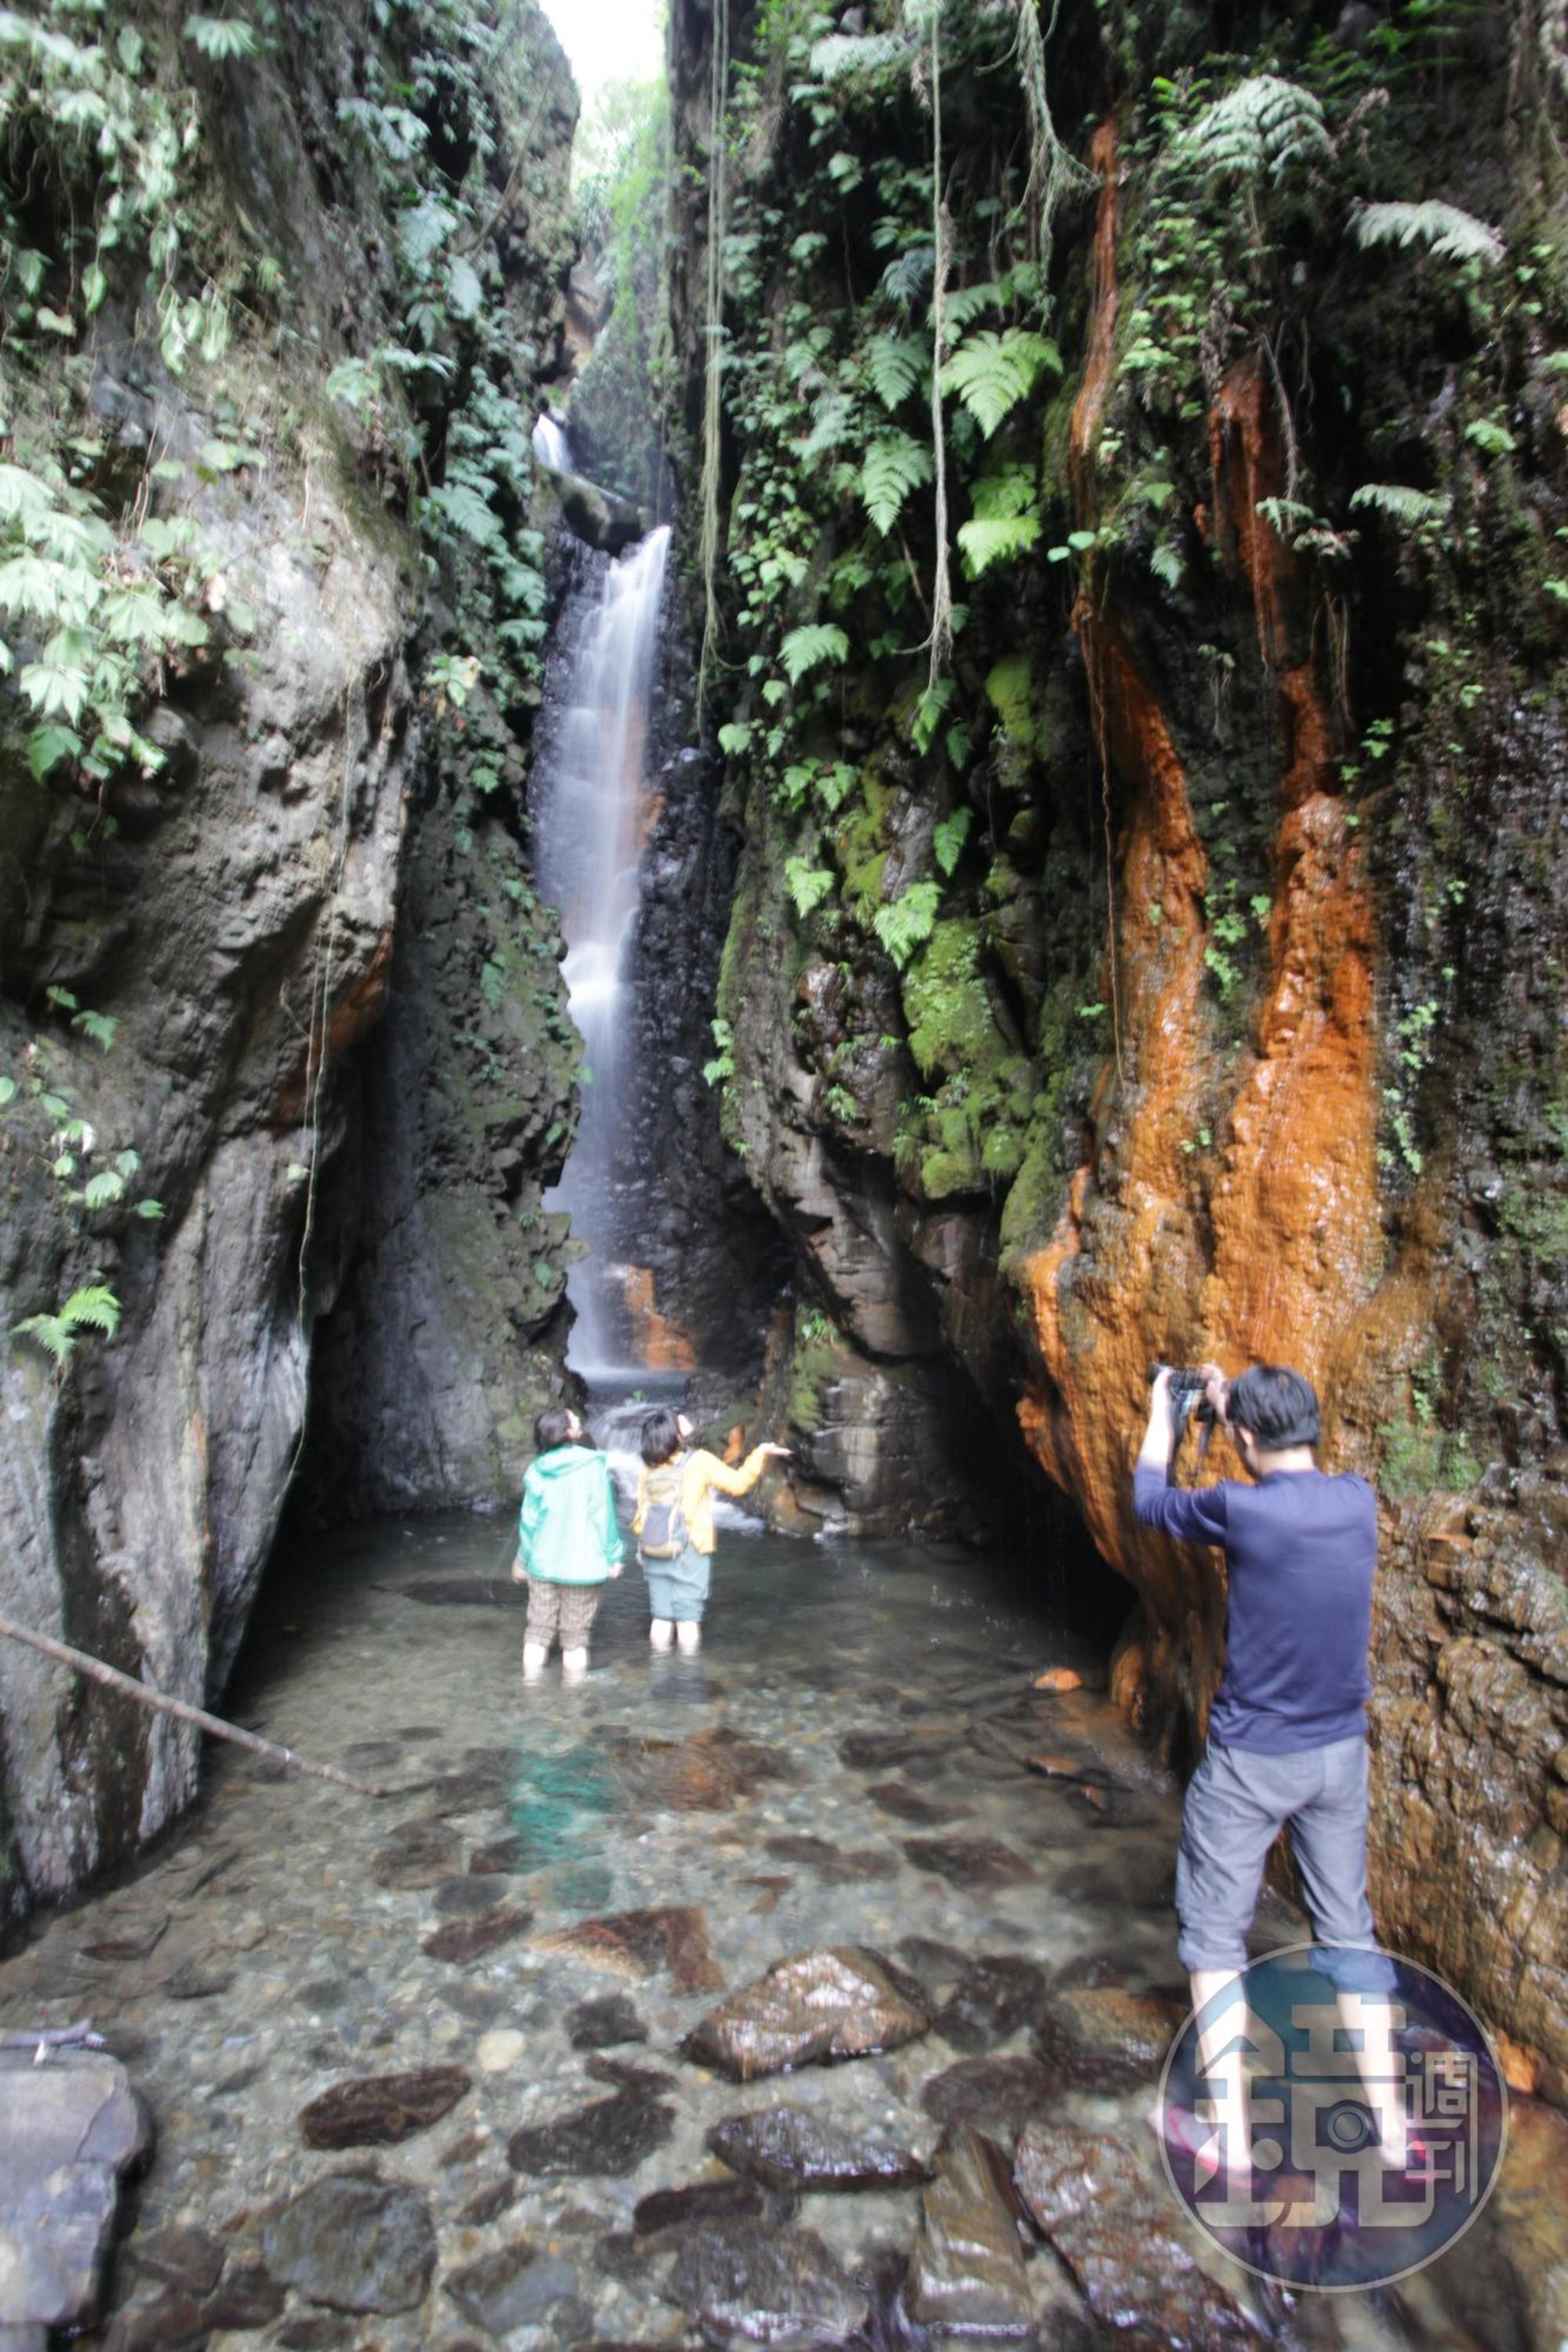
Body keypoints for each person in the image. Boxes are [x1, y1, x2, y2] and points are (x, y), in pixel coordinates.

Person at [1133, 1361, 1404, 2186]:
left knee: (1214, 1939)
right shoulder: (1357, 1501)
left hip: (1253, 1761)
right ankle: (1392, 2130)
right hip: (1336, 1756)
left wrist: (1164, 1412)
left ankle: (1229, 2138)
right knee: (1346, 1932)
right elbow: (1276, 1460)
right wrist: (1228, 1401)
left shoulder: (1238, 1510)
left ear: (1242, 1441)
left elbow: (1149, 1501)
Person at [632, 1406, 789, 1654]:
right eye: (678, 1419)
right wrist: (760, 1453)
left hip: (654, 1548)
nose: (684, 1417)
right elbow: (738, 1485)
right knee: (687, 1620)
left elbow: (642, 1512)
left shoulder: (648, 1467)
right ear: (676, 1434)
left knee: (661, 1618)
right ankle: (685, 1678)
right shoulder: (700, 1461)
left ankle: (658, 1675)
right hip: (690, 1548)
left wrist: (642, 1546)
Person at [510, 1405, 622, 1682]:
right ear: (567, 1432)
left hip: (543, 1566)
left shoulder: (537, 1470)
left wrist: (522, 1561)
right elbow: (603, 1516)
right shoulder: (593, 1466)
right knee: (575, 1638)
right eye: (572, 1418)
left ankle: (530, 1689)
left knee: (537, 1632)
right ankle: (573, 1706)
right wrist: (613, 1557)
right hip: (583, 1569)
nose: (577, 1418)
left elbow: (529, 1523)